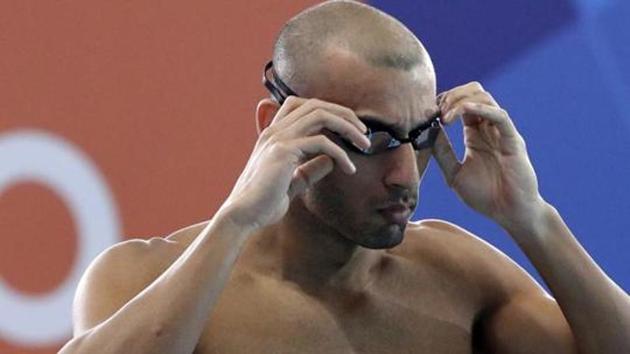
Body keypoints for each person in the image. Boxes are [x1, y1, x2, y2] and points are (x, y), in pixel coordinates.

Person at [60, 1, 629, 353]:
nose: (405, 175)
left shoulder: (456, 275)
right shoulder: (146, 278)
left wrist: (533, 220)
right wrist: (235, 222)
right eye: (374, 140)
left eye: (422, 135)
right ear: (277, 127)